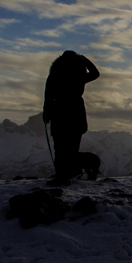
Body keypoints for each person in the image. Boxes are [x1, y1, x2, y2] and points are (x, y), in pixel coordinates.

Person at [42, 51, 100, 184]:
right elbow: (96, 73)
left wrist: (47, 114)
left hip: (59, 114)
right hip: (76, 114)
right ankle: (72, 173)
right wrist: (85, 60)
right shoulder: (79, 75)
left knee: (60, 148)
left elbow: (48, 96)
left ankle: (61, 174)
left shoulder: (54, 76)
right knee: (72, 148)